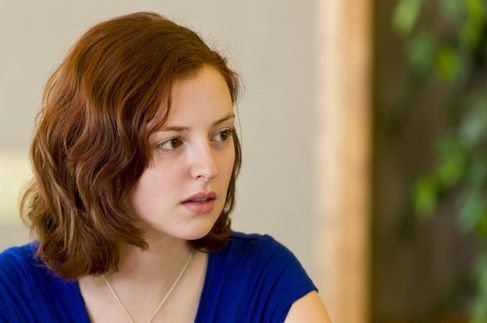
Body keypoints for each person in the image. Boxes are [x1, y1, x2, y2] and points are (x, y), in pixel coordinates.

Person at [0, 12, 331, 323]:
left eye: (221, 134)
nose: (209, 167)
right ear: (96, 154)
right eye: (172, 142)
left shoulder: (266, 279)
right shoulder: (12, 291)